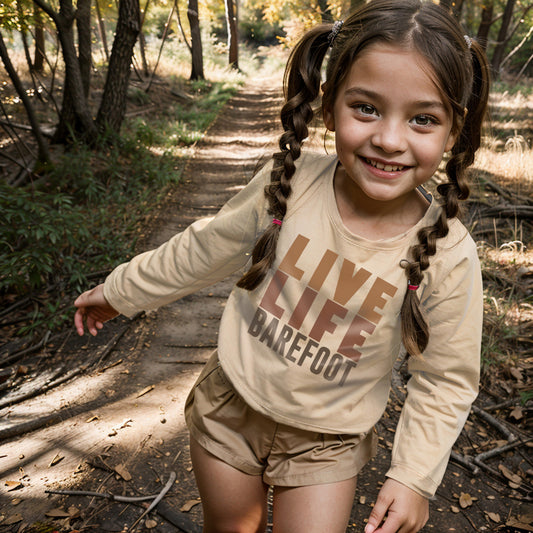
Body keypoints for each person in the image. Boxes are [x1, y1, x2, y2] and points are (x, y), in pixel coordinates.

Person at [74, 1, 490, 531]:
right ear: (329, 103)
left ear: (453, 132)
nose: (389, 139)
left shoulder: (449, 255)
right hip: (230, 409)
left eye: (423, 119)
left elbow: (446, 379)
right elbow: (203, 248)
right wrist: (121, 292)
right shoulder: (288, 184)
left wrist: (412, 476)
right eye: (365, 107)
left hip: (328, 445)